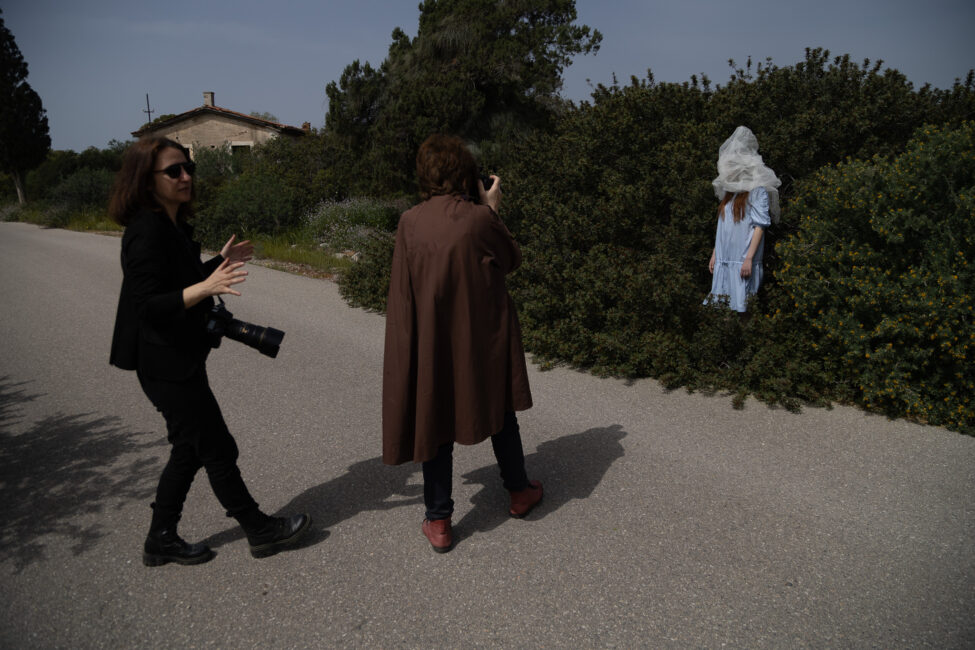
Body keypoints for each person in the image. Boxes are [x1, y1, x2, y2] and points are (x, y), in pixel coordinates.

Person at [108, 137, 310, 567]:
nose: (186, 177)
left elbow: (178, 283)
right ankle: (260, 530)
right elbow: (149, 305)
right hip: (163, 363)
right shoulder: (145, 231)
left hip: (178, 357)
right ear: (147, 179)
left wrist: (216, 263)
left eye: (189, 168)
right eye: (174, 171)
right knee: (217, 448)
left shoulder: (172, 224)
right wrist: (206, 288)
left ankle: (160, 537)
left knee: (189, 447)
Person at [382, 134, 543, 553]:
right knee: (500, 411)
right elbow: (511, 260)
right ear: (465, 173)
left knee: (434, 421)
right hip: (480, 338)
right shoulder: (479, 219)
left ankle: (438, 521)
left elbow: (403, 290)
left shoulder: (409, 221)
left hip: (432, 339)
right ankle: (519, 491)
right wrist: (491, 209)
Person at [705, 125, 781, 313]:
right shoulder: (729, 193)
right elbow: (723, 226)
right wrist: (716, 253)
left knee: (742, 310)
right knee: (722, 311)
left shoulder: (757, 191)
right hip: (725, 259)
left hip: (742, 261)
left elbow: (760, 227)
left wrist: (749, 258)